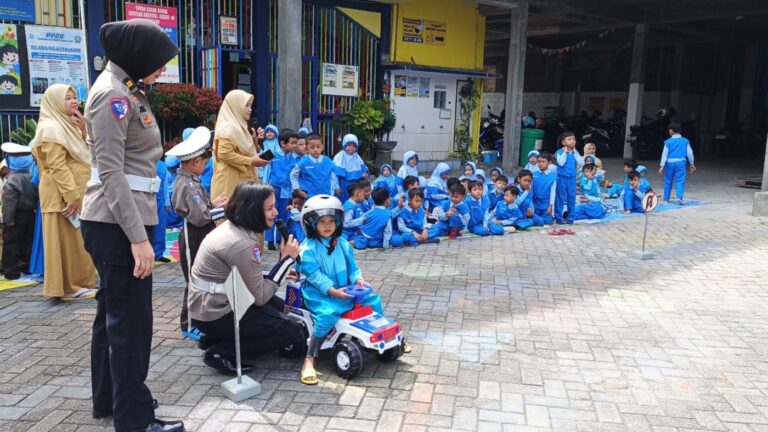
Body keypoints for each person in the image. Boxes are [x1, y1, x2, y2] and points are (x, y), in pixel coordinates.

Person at [79, 19, 184, 432]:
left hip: (120, 220)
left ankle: (111, 400)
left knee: (112, 317)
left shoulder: (124, 89)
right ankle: (135, 420)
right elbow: (111, 174)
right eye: (158, 62)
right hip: (119, 223)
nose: (161, 70)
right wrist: (139, 240)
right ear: (137, 56)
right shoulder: (111, 96)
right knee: (130, 325)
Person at [189, 182, 306, 375]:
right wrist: (286, 261)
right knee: (292, 330)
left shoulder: (237, 227)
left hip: (213, 304)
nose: (276, 212)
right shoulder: (241, 242)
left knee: (286, 308)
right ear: (252, 210)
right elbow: (260, 296)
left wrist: (280, 267)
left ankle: (215, 338)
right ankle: (220, 351)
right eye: (269, 208)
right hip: (215, 313)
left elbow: (249, 273)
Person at [296, 194, 389, 384]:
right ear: (310, 223)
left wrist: (359, 280)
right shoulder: (307, 249)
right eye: (322, 221)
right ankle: (310, 359)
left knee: (373, 300)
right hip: (319, 294)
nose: (328, 225)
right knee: (327, 316)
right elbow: (316, 277)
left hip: (346, 290)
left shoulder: (344, 244)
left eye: (332, 220)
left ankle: (385, 340)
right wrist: (333, 291)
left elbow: (353, 269)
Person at [29, 84, 97, 299]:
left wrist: (84, 129)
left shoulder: (66, 125)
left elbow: (84, 153)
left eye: (74, 97)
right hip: (63, 196)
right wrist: (71, 197)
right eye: (67, 98)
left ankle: (77, 283)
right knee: (68, 242)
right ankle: (71, 287)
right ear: (55, 102)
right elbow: (57, 165)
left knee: (76, 241)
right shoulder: (51, 128)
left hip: (73, 193)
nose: (74, 101)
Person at [167, 127, 228, 341]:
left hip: (198, 233)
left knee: (197, 278)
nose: (205, 166)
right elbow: (201, 217)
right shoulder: (188, 185)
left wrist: (215, 204)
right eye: (204, 163)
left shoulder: (190, 181)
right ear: (195, 163)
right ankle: (189, 323)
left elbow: (202, 208)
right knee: (194, 280)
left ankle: (194, 322)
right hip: (193, 235)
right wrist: (227, 210)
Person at [211, 90, 269, 208]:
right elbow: (224, 154)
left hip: (241, 183)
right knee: (228, 220)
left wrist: (255, 142)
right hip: (229, 183)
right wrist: (252, 161)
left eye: (250, 105)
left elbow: (243, 151)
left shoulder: (239, 127)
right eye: (246, 105)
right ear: (235, 106)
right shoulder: (228, 128)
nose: (250, 109)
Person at [1, 143, 37, 280]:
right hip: (31, 215)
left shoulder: (11, 180)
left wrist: (8, 220)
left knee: (11, 244)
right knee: (28, 242)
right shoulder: (32, 176)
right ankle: (28, 268)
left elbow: (9, 203)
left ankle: (11, 272)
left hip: (16, 217)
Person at [265, 128, 298, 250]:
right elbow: (262, 167)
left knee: (283, 213)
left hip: (286, 189)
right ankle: (269, 240)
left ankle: (280, 238)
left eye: (296, 143)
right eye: (292, 143)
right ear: (283, 143)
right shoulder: (271, 153)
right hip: (273, 187)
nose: (294, 146)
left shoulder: (292, 158)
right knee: (271, 213)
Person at [290, 133, 339, 198]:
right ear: (307, 148)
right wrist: (298, 190)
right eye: (312, 147)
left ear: (322, 147)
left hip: (326, 195)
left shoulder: (327, 160)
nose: (315, 150)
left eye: (318, 147)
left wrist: (336, 187)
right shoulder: (303, 162)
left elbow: (334, 174)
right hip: (310, 197)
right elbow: (293, 175)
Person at [659, 122, 696, 205]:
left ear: (672, 131)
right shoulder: (685, 141)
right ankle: (679, 197)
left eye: (669, 129)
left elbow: (664, 154)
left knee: (668, 180)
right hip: (681, 163)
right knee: (680, 181)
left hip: (669, 163)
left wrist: (662, 165)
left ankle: (666, 198)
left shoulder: (667, 142)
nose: (668, 131)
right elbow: (690, 153)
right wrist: (692, 164)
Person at [554, 132, 583, 224]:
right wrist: (565, 153)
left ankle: (571, 217)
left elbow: (581, 163)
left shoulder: (575, 152)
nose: (572, 141)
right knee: (560, 197)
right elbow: (561, 163)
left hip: (572, 178)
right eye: (569, 139)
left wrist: (575, 153)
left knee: (572, 196)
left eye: (574, 139)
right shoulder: (559, 152)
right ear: (563, 142)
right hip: (561, 177)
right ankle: (558, 217)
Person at [333, 134, 369, 202]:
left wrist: (366, 174)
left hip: (355, 184)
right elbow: (334, 174)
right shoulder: (338, 157)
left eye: (354, 146)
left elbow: (364, 170)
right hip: (342, 184)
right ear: (344, 145)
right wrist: (336, 186)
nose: (351, 148)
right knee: (341, 201)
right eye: (349, 145)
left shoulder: (357, 158)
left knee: (354, 201)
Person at [532, 152, 556, 226]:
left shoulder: (553, 177)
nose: (540, 164)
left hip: (545, 204)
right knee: (538, 220)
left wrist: (550, 206)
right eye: (539, 161)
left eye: (543, 162)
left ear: (549, 163)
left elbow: (553, 193)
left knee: (548, 221)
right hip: (534, 204)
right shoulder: (533, 174)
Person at [152, 158, 169, 262]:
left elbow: (166, 185)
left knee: (160, 227)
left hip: (159, 199)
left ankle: (158, 253)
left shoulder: (162, 166)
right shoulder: (141, 161)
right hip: (145, 198)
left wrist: (167, 202)